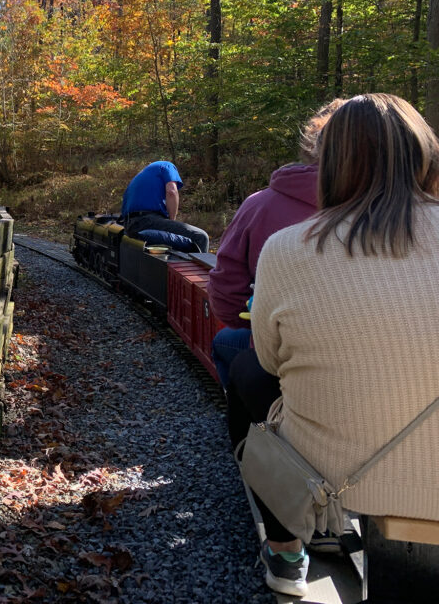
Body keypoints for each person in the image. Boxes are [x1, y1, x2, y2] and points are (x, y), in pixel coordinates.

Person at [234, 94, 439, 598]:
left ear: (330, 164)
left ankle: (286, 551)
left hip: (340, 477)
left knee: (244, 371)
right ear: (424, 155)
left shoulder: (287, 248)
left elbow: (269, 359)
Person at [208, 99, 345, 390]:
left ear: (312, 144)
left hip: (284, 353)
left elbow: (224, 295)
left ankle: (249, 432)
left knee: (224, 344)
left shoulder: (259, 206)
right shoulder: (398, 210)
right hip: (384, 362)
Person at [119, 160, 209, 252]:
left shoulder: (140, 177)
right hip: (146, 221)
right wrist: (172, 220)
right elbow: (171, 191)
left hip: (130, 226)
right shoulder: (167, 166)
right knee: (200, 236)